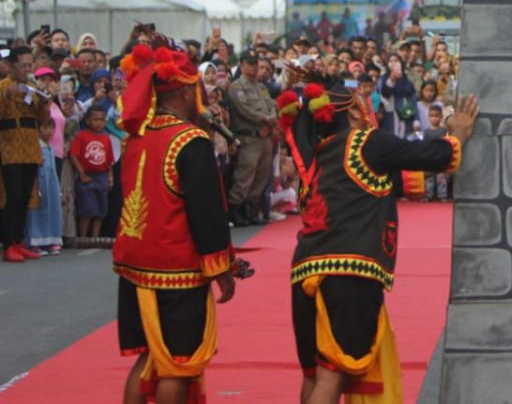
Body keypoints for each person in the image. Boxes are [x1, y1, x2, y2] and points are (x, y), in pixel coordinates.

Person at [283, 74, 478, 404]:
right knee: (333, 373)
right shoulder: (367, 142)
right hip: (348, 272)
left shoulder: (318, 155)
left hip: (303, 270)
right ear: (355, 113)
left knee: (315, 374)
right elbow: (434, 156)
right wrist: (456, 134)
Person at [113, 39, 236, 404]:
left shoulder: (138, 135)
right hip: (176, 269)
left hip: (135, 263)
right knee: (177, 366)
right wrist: (222, 268)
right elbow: (207, 215)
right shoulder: (191, 141)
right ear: (184, 92)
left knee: (149, 356)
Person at [0, 46, 50, 263]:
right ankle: (8, 244)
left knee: (26, 197)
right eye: (23, 65)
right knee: (13, 197)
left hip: (30, 147)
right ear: (11, 65)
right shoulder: (2, 87)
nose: (27, 69)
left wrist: (44, 100)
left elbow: (44, 119)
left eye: (30, 65)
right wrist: (5, 95)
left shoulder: (31, 87)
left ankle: (20, 242)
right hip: (9, 147)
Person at [226, 50, 278, 227]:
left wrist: (271, 116)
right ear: (241, 65)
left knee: (262, 174)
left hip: (265, 137)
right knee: (245, 174)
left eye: (256, 63)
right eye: (250, 63)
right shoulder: (237, 87)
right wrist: (264, 119)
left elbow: (272, 105)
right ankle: (236, 209)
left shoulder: (261, 87)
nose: (254, 67)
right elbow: (244, 109)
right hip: (249, 137)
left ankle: (250, 208)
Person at [69, 105, 114, 239]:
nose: (99, 122)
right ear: (88, 121)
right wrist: (81, 173)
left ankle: (95, 237)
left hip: (102, 176)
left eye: (102, 119)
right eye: (95, 119)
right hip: (87, 176)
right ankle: (83, 237)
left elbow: (109, 161)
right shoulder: (81, 136)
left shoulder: (106, 138)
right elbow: (73, 155)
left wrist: (110, 177)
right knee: (87, 210)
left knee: (101, 210)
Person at [26, 119, 63, 255]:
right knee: (37, 211)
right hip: (39, 184)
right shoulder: (35, 147)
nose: (48, 131)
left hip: (51, 184)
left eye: (51, 128)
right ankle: (35, 242)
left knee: (52, 210)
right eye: (44, 127)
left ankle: (50, 240)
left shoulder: (50, 147)